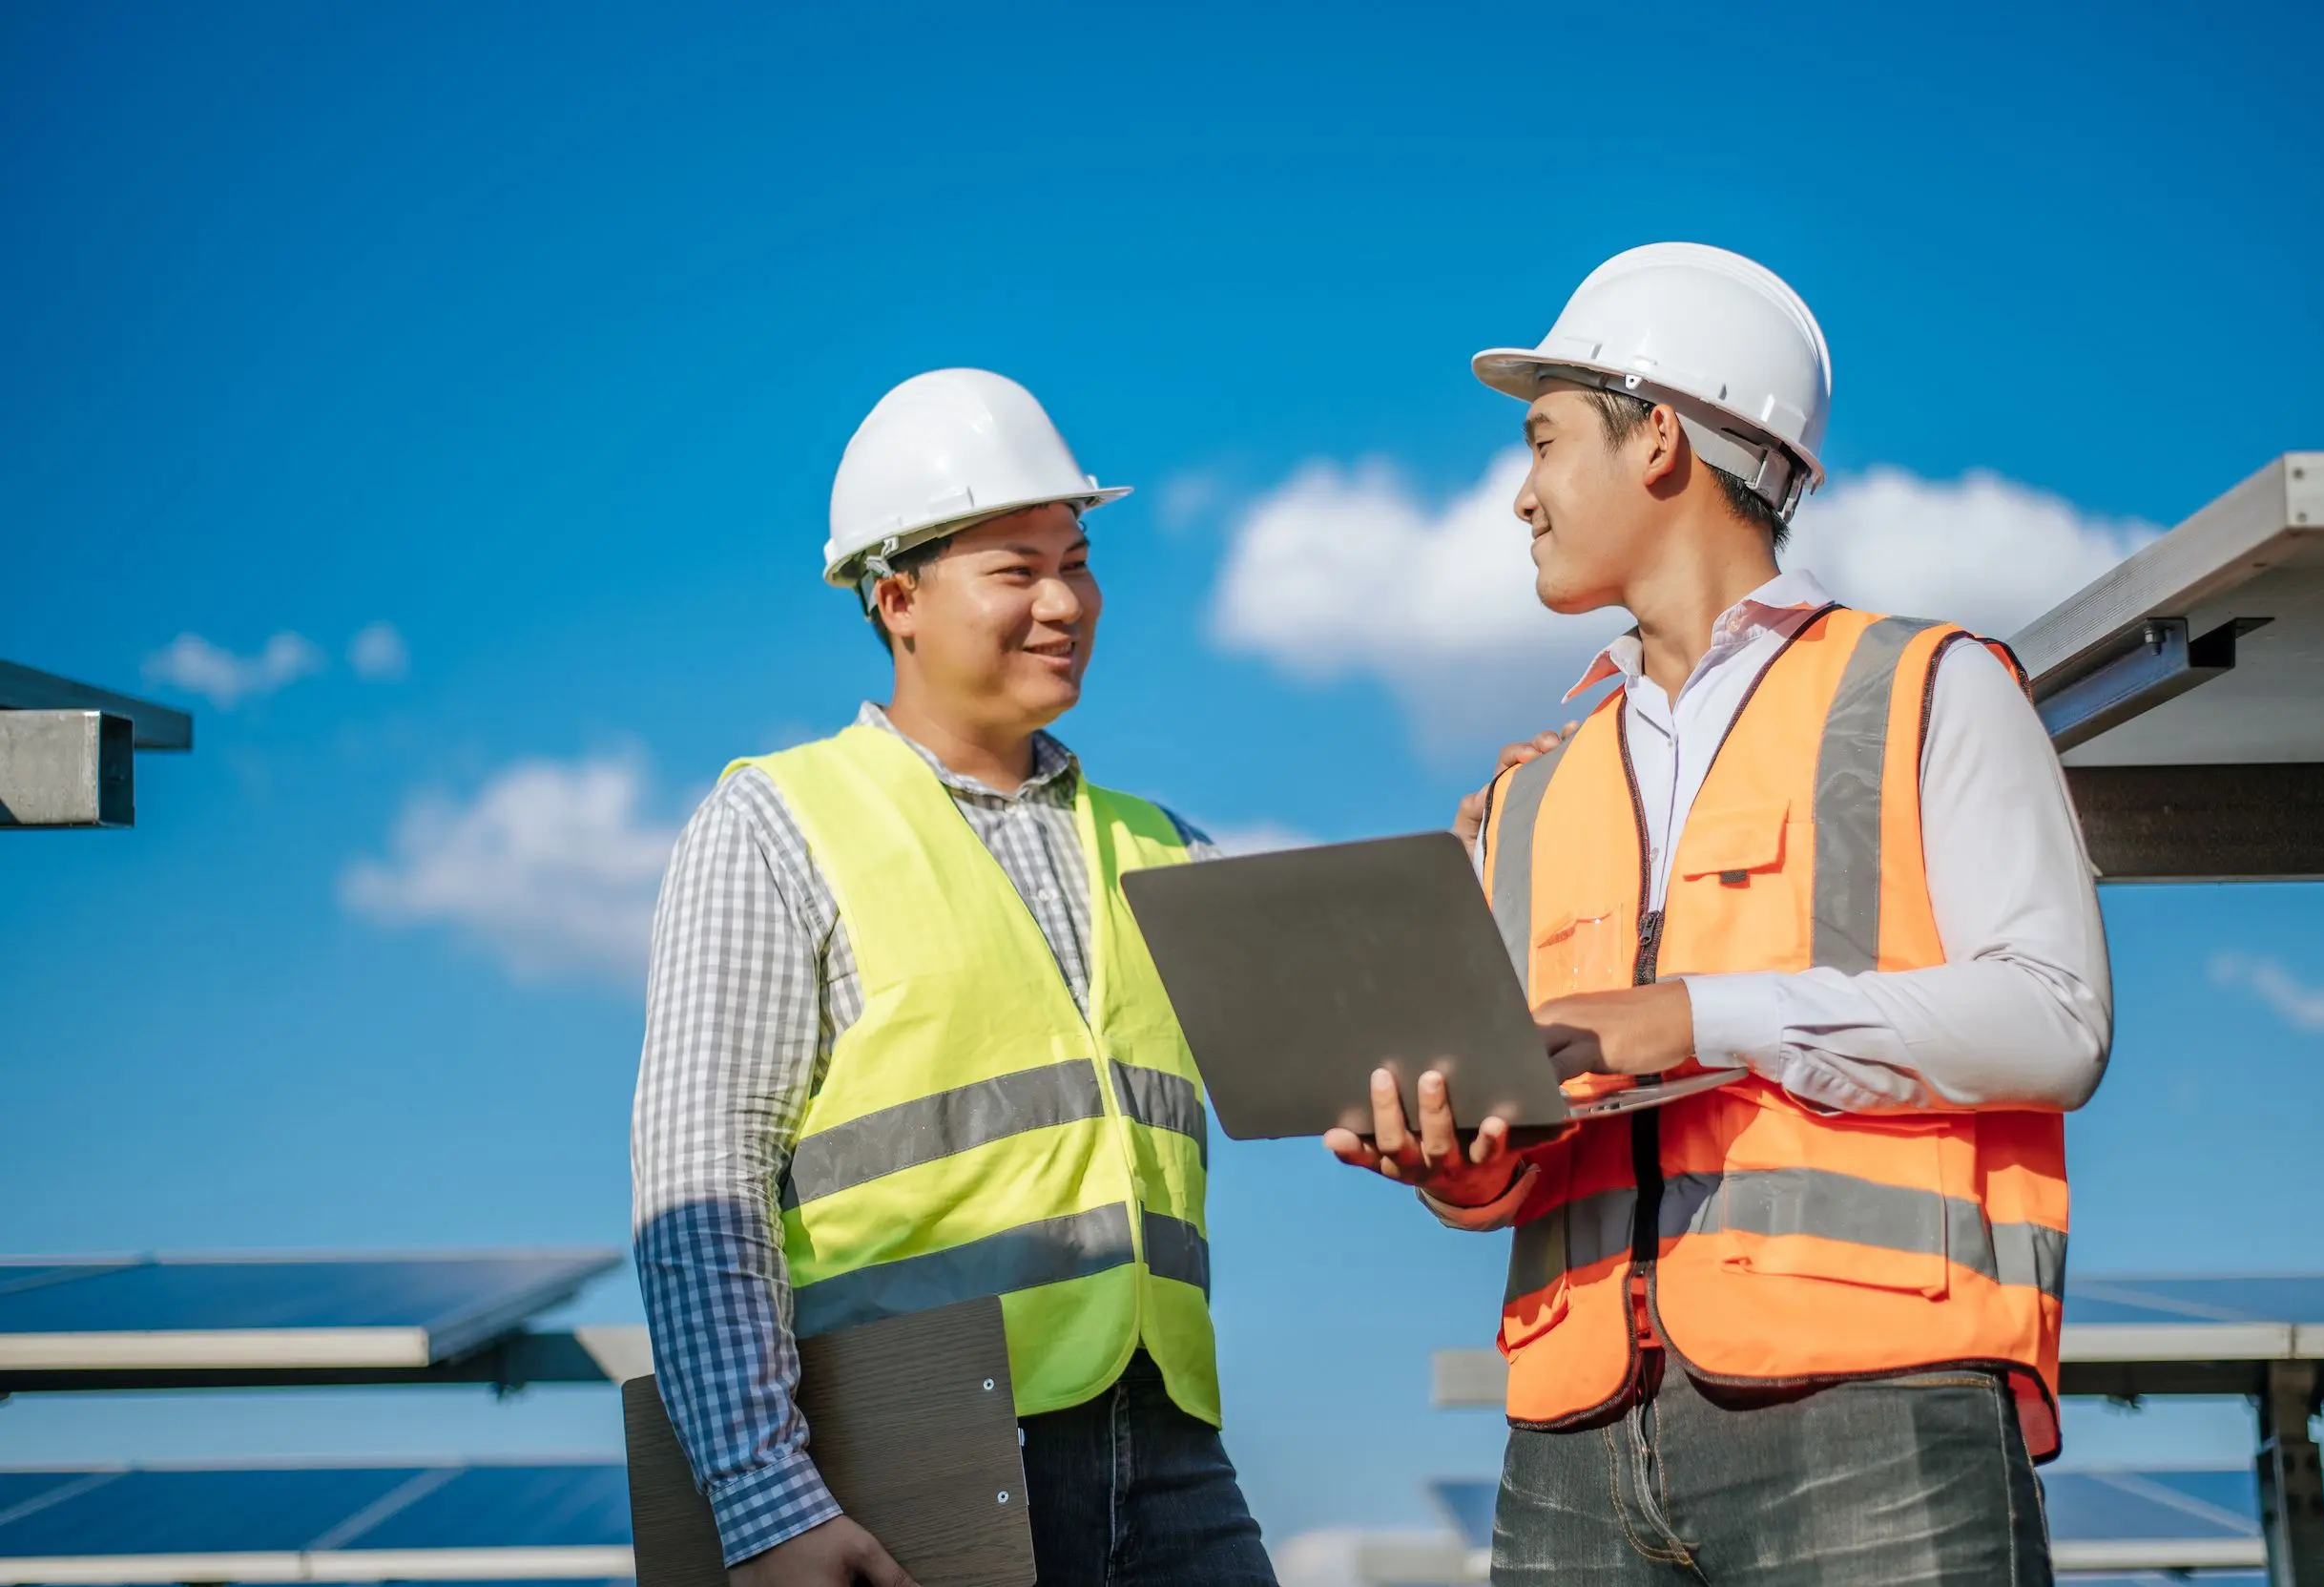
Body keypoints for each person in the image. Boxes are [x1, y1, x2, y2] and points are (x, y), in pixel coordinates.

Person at [1326, 244, 2111, 1584]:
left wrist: (1695, 1016)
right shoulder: (1530, 791)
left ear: (1662, 440)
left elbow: (2054, 1017)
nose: (1521, 495)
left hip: (1876, 1406)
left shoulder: (1929, 687)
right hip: (1573, 1442)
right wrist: (1458, 1162)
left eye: (1545, 440)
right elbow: (1529, 1139)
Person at [633, 368, 1276, 1587]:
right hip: (908, 1457)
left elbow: (1339, 1065)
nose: (1064, 602)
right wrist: (765, 1500)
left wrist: (1493, 849)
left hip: (1172, 1451)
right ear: (897, 598)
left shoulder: (1170, 849)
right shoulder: (775, 822)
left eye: (1075, 561)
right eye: (1015, 569)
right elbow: (701, 1181)